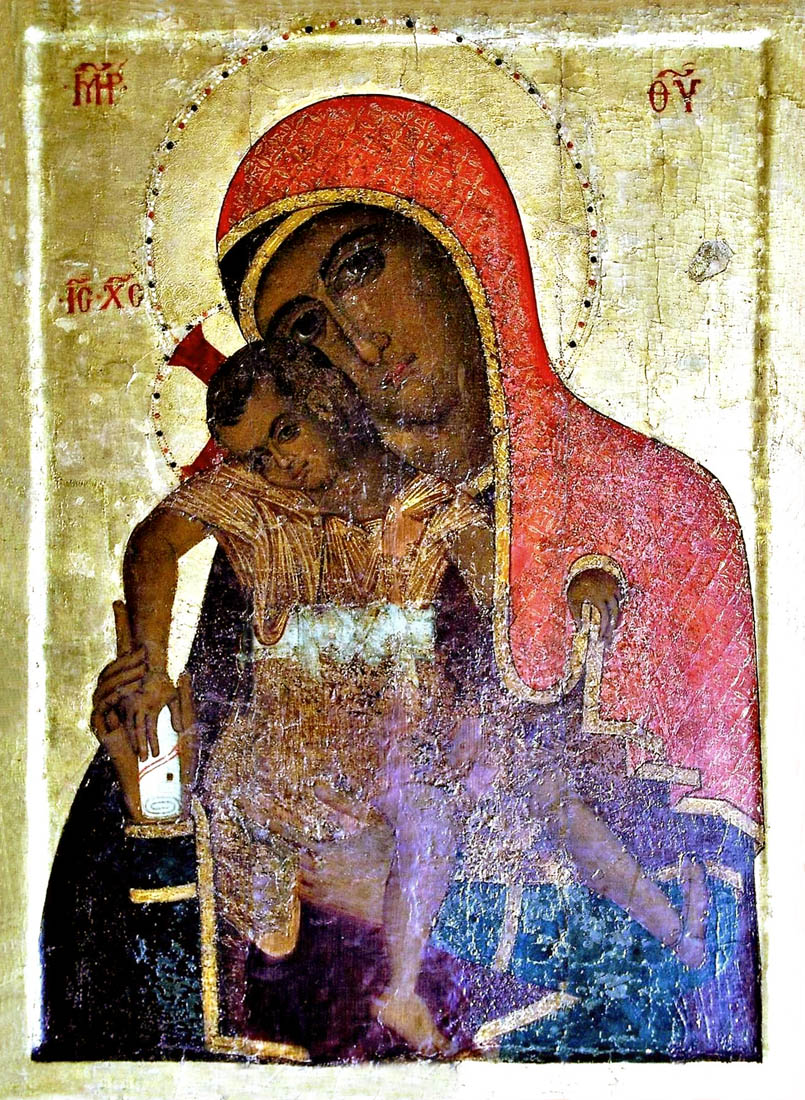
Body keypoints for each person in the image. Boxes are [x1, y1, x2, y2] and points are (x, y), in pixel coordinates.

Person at [45, 95, 762, 1061]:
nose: (354, 337)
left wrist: (400, 887)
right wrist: (152, 778)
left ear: (466, 248)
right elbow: (161, 864)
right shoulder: (269, 545)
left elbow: (727, 957)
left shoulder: (658, 513)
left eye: (361, 267)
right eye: (305, 327)